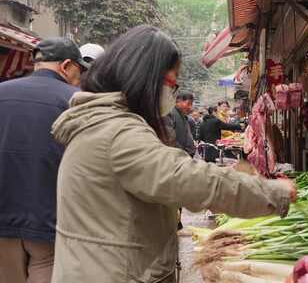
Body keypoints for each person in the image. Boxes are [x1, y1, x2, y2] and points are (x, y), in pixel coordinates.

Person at [49, 25, 295, 283]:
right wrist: (273, 192)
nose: (173, 92)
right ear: (145, 78)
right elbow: (190, 179)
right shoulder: (116, 132)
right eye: (171, 83)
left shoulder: (102, 123)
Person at [0, 37, 86, 283]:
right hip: (51, 219)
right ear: (66, 65)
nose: (78, 77)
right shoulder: (76, 100)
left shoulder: (2, 92)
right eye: (78, 70)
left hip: (3, 216)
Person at [172, 91, 196, 156]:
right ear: (178, 101)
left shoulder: (183, 116)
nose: (190, 107)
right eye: (188, 104)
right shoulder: (172, 114)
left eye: (191, 104)